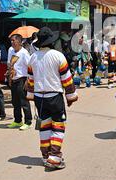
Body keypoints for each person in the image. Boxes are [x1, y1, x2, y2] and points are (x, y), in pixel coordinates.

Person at [27, 27, 78, 169]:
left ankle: (45, 155)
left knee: (44, 127)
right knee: (58, 126)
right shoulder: (58, 56)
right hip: (54, 96)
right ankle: (55, 157)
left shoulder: (33, 57)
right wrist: (70, 97)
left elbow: (30, 80)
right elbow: (67, 80)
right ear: (51, 41)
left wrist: (31, 95)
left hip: (39, 98)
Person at [8, 34, 32, 130]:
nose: (12, 42)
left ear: (19, 41)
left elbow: (30, 67)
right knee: (15, 101)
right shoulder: (10, 50)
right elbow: (10, 64)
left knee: (24, 101)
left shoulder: (24, 53)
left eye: (14, 40)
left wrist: (28, 80)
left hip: (22, 79)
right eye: (11, 40)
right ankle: (18, 120)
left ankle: (28, 121)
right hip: (13, 78)